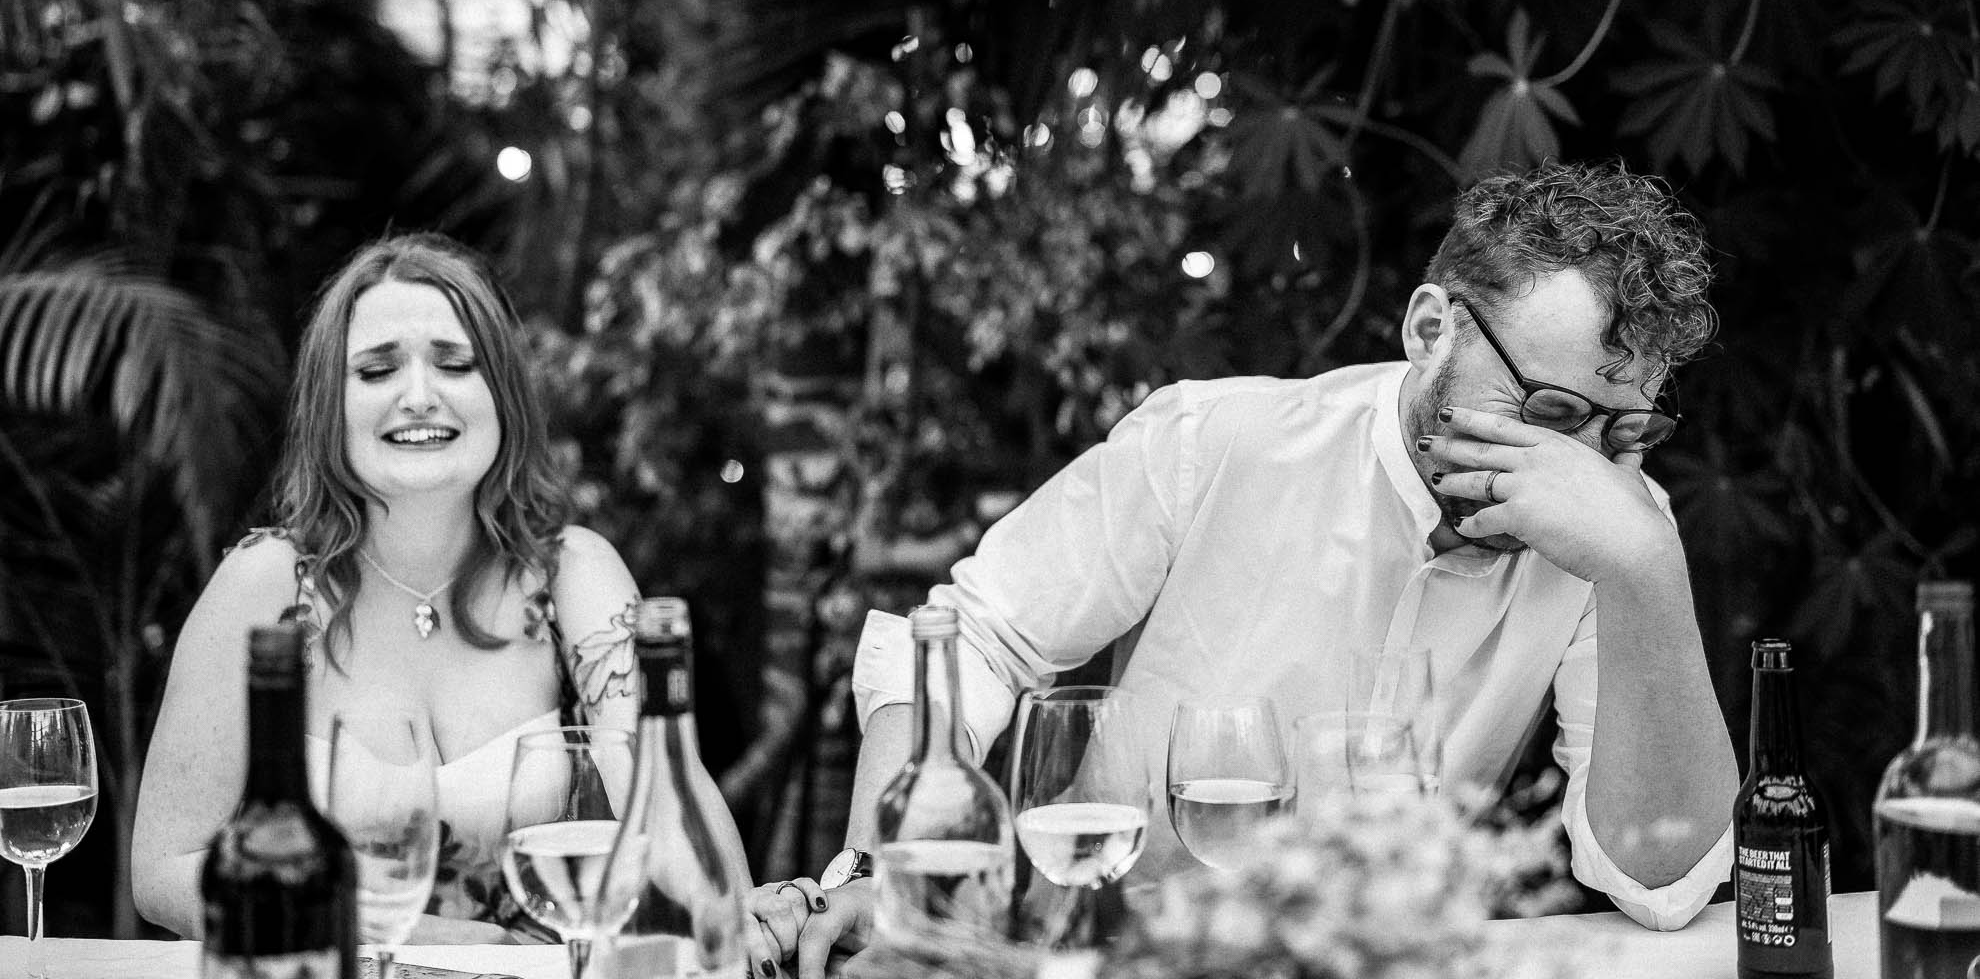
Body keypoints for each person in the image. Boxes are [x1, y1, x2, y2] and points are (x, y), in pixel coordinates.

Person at [747, 160, 1741, 977]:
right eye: (1552, 416)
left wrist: (1644, 570)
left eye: (1625, 432)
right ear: (1430, 328)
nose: (1580, 466)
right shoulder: (1213, 443)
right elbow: (968, 642)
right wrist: (896, 876)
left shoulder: (1614, 526)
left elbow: (1662, 880)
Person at [131, 232, 750, 941]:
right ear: (329, 407)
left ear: (504, 397)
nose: (419, 397)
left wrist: (730, 915)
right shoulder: (266, 585)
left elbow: (665, 792)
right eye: (376, 371)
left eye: (456, 365)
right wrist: (418, 936)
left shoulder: (574, 574)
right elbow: (164, 870)